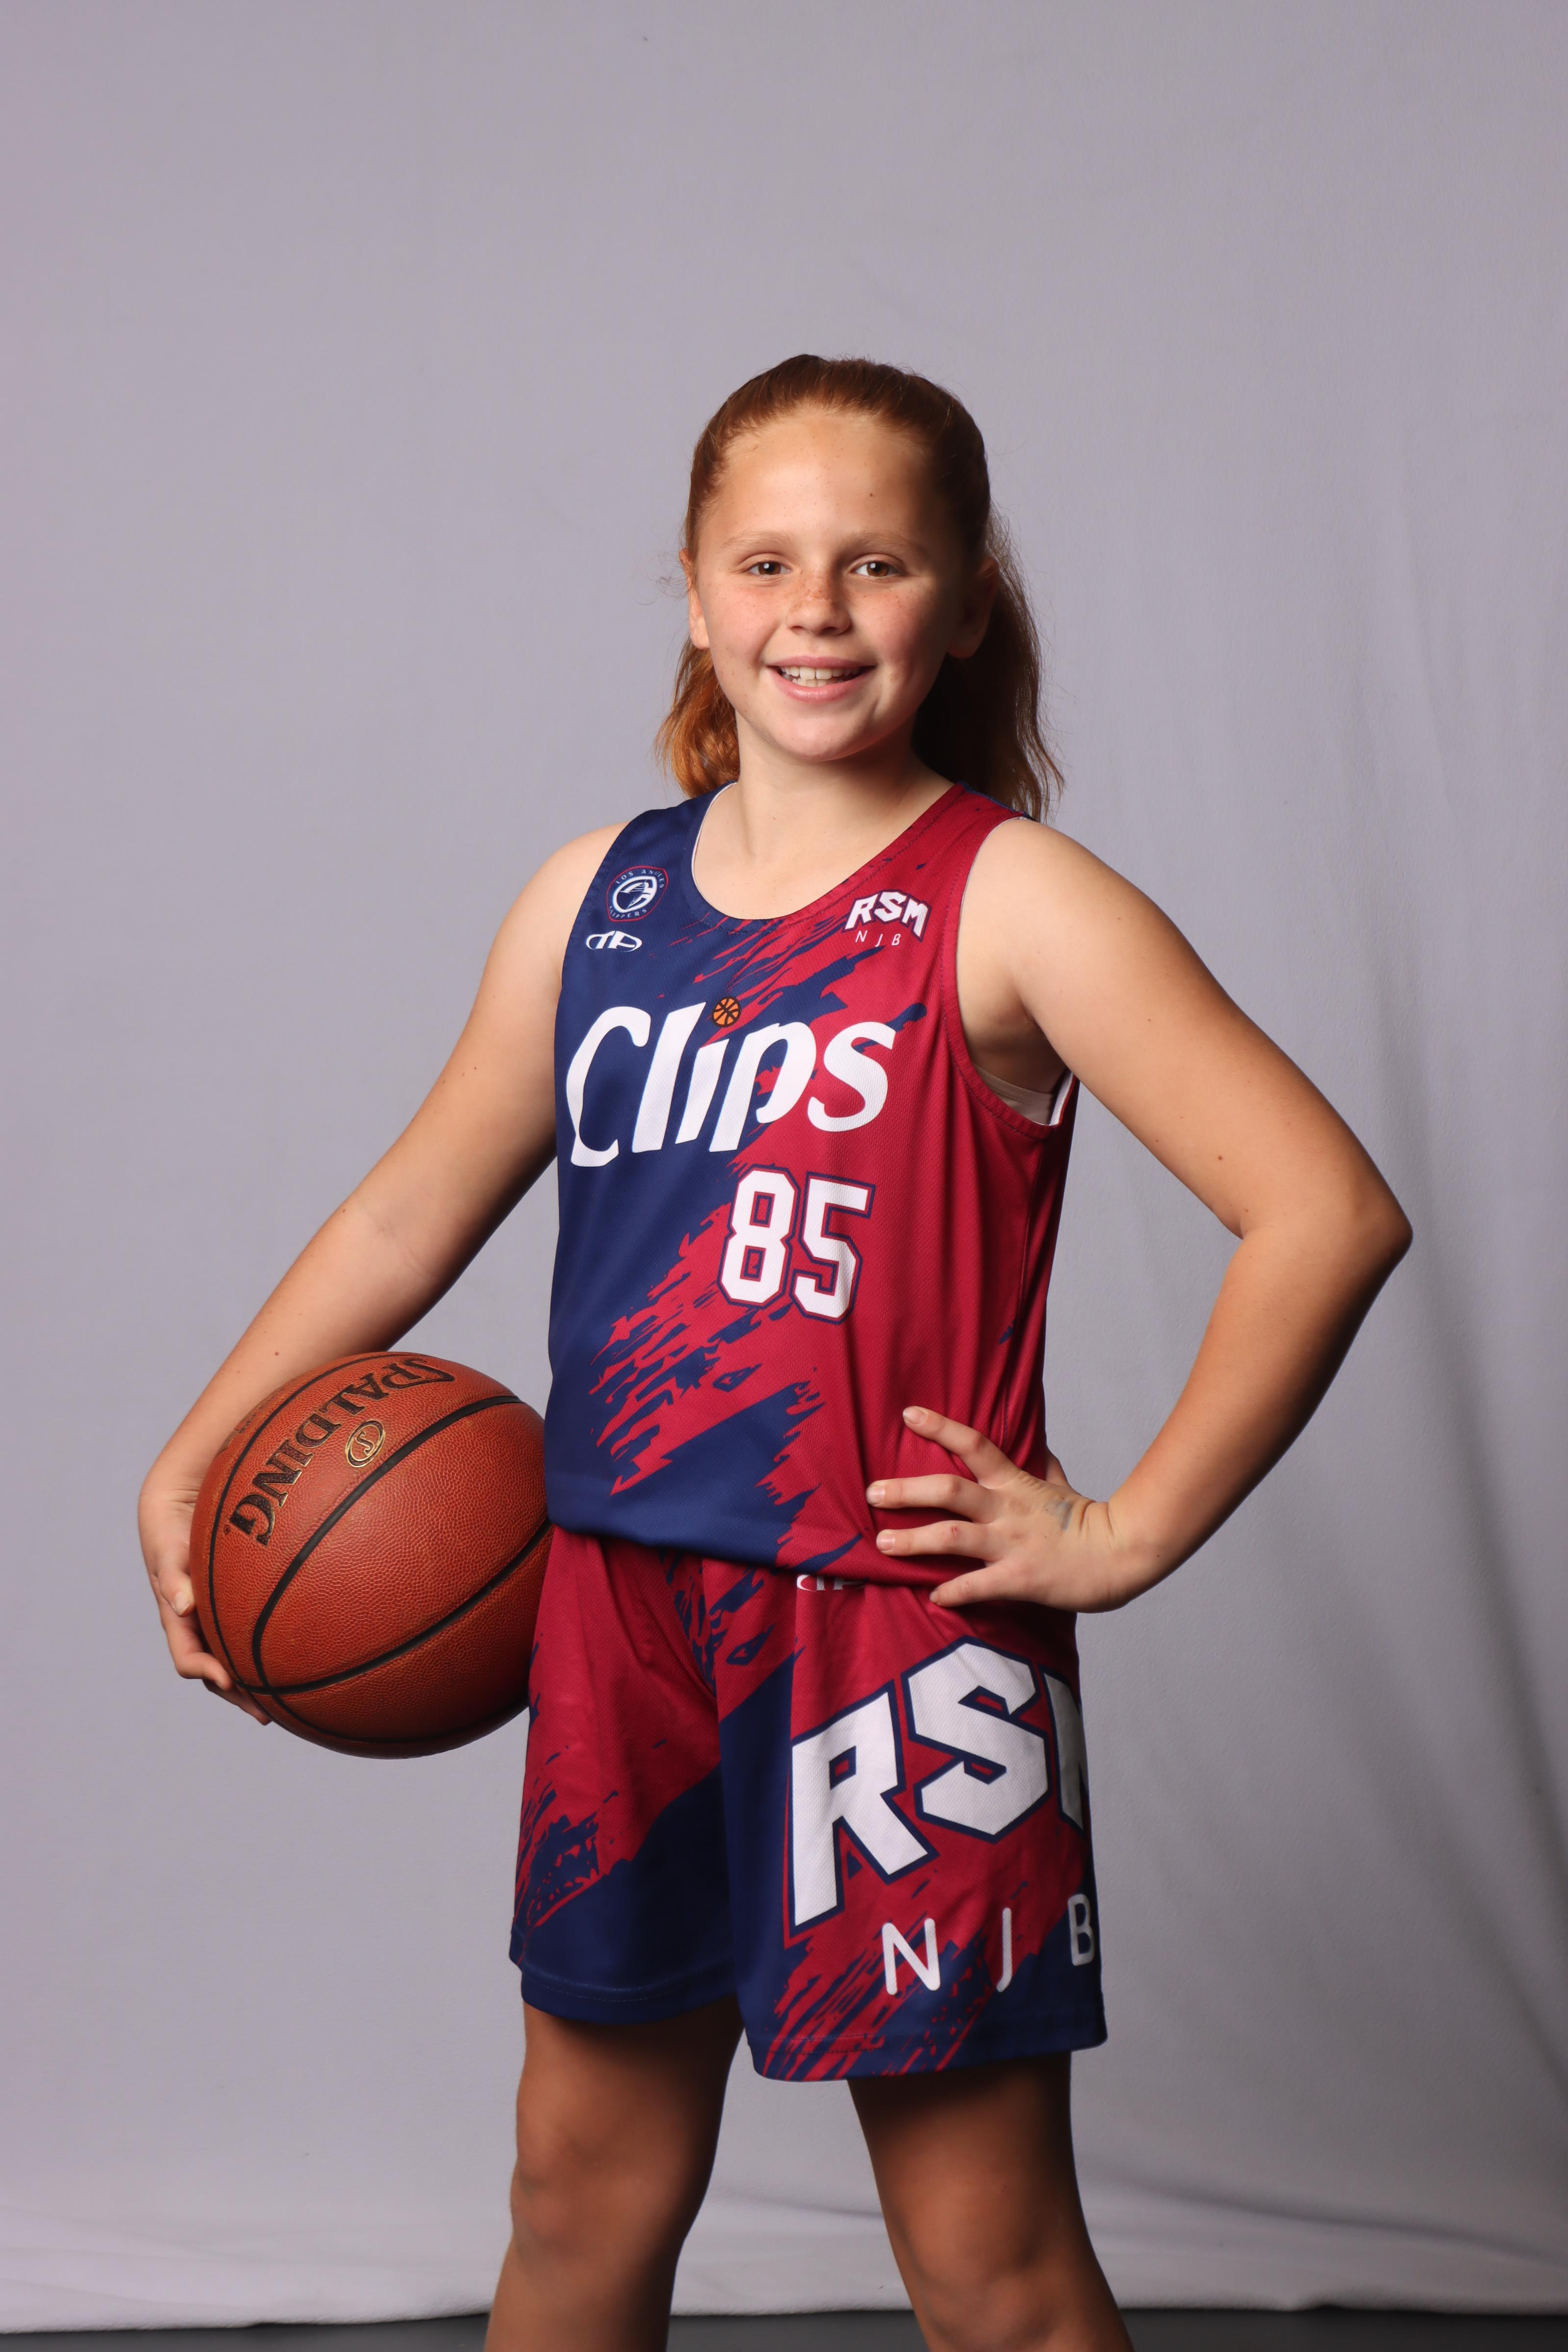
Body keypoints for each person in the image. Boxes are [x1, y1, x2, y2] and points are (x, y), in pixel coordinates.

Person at [140, 355, 1411, 2352]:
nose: (815, 608)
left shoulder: (1008, 899)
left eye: (877, 562)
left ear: (964, 600)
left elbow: (1324, 1211)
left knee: (985, 2258)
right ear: (692, 587)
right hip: (618, 1612)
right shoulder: (594, 900)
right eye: (766, 561)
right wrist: (197, 1453)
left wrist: (1125, 1528)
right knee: (574, 2198)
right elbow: (405, 1216)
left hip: (894, 1638)